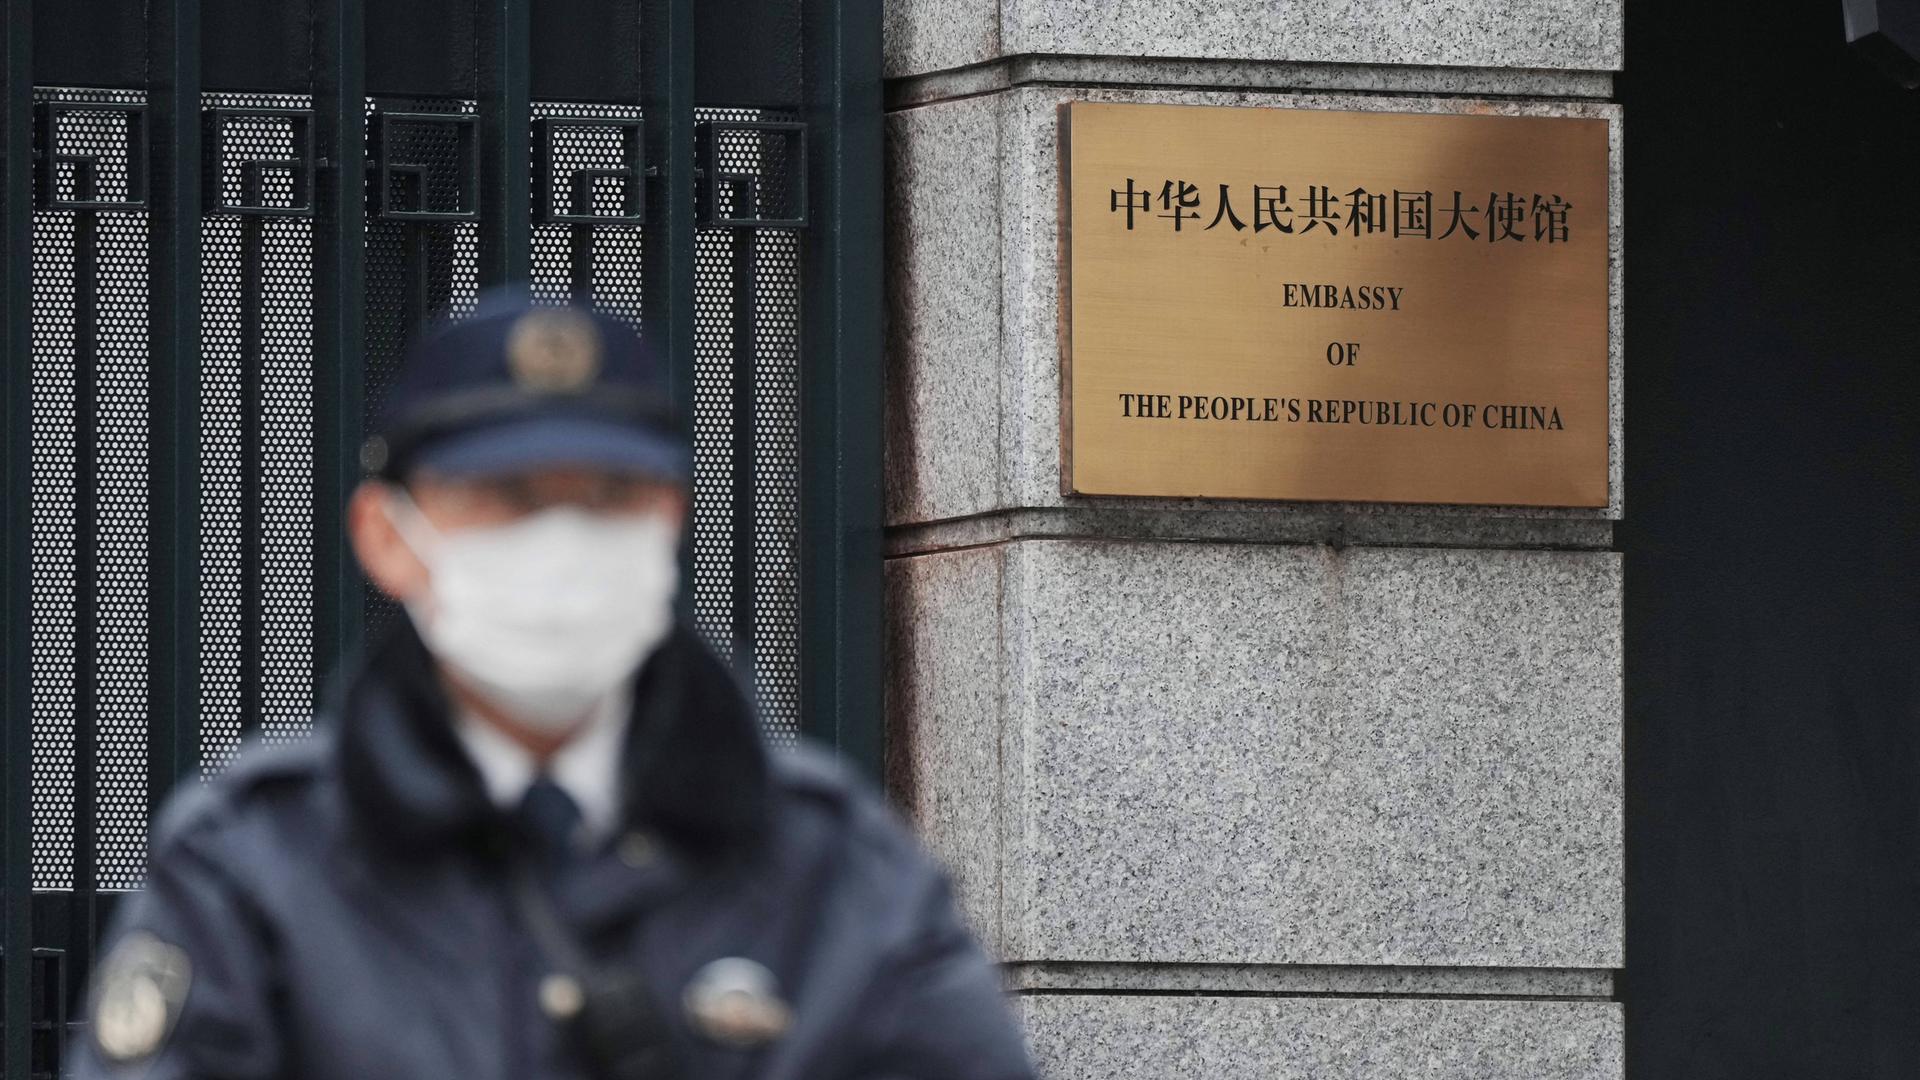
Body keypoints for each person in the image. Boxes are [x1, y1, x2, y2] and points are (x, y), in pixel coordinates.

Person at [67, 294, 1035, 1080]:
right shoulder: (256, 860)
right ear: (387, 537)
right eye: (508, 499)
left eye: (612, 498)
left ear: (671, 517)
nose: (564, 541)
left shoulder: (829, 860)